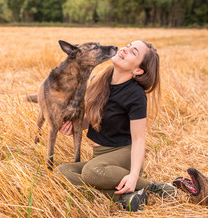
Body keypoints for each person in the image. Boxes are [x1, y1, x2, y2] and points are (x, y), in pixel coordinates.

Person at [56, 40, 177, 212]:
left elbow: (139, 139)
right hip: (100, 157)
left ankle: (151, 187)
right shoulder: (99, 80)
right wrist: (73, 125)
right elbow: (91, 120)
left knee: (91, 173)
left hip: (123, 156)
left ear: (138, 70)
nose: (125, 49)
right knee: (62, 172)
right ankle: (124, 197)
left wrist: (134, 175)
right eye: (128, 46)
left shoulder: (136, 95)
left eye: (133, 52)